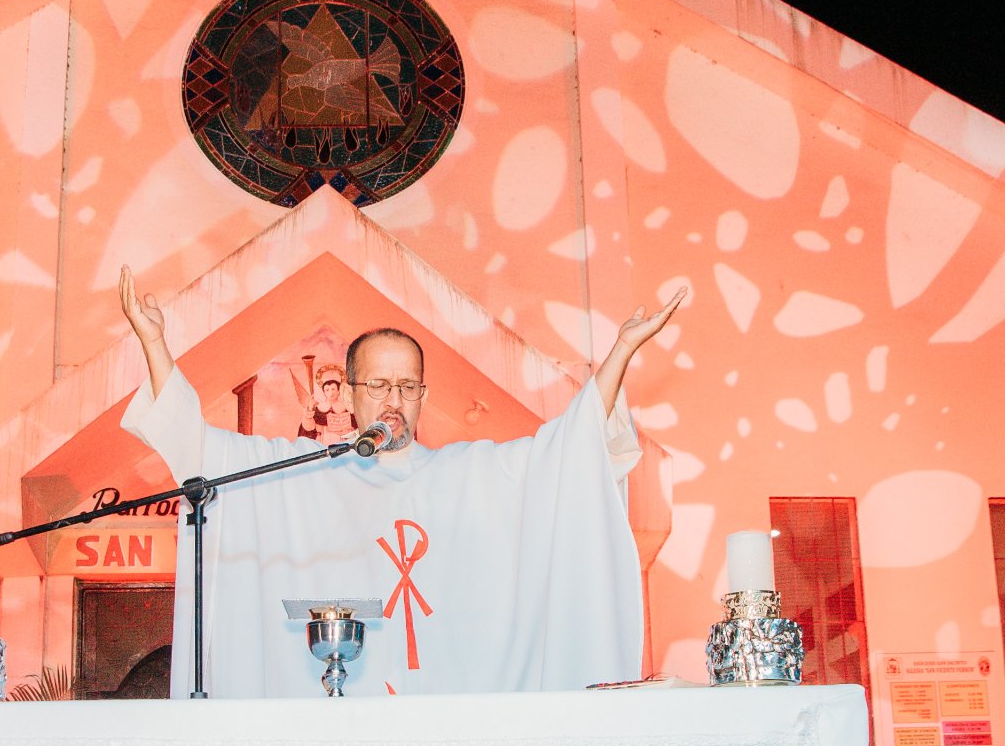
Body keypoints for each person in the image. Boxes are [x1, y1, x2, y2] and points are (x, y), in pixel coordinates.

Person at [118, 265, 683, 698]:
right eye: (379, 386)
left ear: (423, 397)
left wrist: (621, 352)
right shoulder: (300, 474)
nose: (394, 400)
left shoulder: (470, 474)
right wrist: (154, 345)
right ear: (350, 392)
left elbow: (567, 455)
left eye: (408, 387)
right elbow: (199, 450)